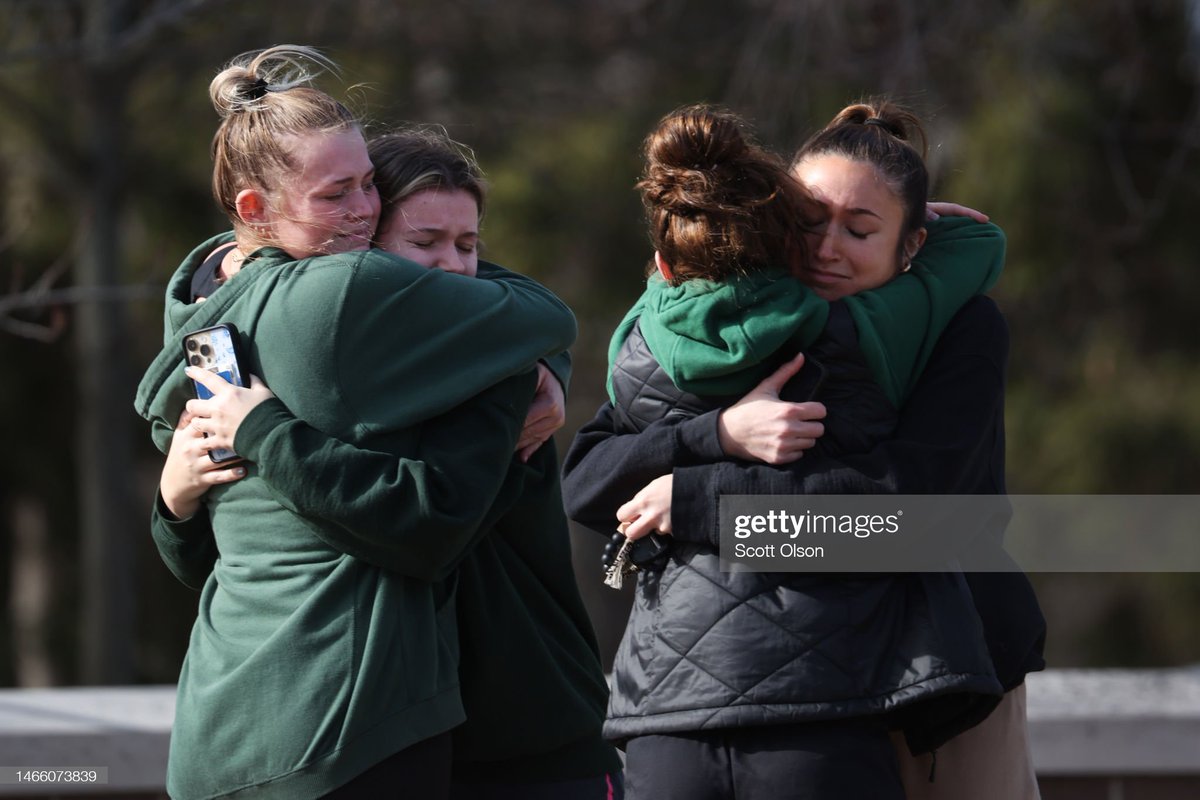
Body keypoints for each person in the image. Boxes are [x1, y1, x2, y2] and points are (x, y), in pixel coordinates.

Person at [562, 102, 1044, 799]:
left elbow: (897, 516)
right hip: (820, 689)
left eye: (860, 228)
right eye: (811, 221)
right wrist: (718, 432)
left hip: (957, 659)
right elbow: (589, 477)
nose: (827, 248)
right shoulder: (752, 325)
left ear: (911, 245)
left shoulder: (956, 325)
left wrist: (695, 500)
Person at [134, 46, 578, 800]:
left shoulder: (210, 334)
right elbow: (545, 316)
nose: (364, 211)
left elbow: (227, 545)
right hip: (349, 724)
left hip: (219, 727)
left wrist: (171, 504)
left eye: (370, 184)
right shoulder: (351, 285)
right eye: (337, 194)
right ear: (254, 208)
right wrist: (543, 367)